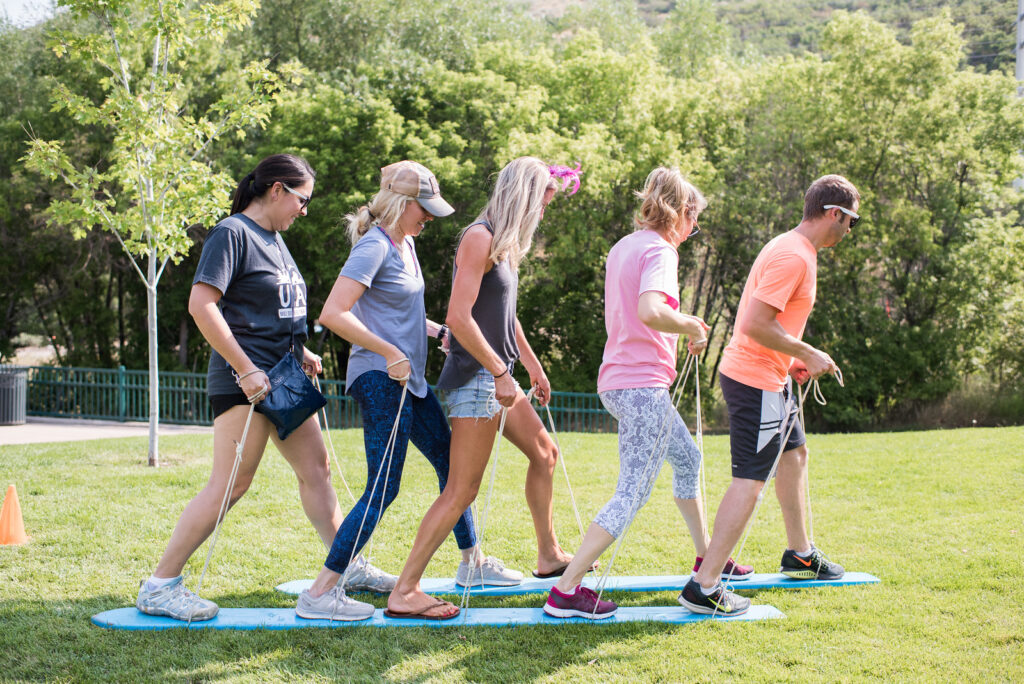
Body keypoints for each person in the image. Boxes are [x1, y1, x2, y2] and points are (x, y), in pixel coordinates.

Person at [136, 154, 387, 622]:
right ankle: (160, 586)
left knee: (317, 470)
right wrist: (248, 369)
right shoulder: (232, 233)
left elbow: (271, 309)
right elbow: (202, 305)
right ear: (276, 189)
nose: (304, 210)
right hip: (244, 381)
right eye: (302, 199)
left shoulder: (273, 239)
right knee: (231, 483)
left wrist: (301, 352)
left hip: (284, 377)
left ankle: (345, 567)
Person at [295, 161, 509, 621]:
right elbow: (334, 313)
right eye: (423, 208)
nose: (429, 217)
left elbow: (395, 309)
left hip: (408, 381)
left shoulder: (405, 243)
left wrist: (436, 333)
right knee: (383, 487)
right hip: (379, 378)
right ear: (400, 201)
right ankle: (320, 593)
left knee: (453, 466)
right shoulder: (373, 246)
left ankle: (472, 562)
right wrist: (389, 350)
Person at [542, 167, 751, 620]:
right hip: (638, 385)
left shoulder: (625, 246)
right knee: (632, 492)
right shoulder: (660, 250)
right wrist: (692, 324)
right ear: (682, 212)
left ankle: (706, 560)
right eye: (694, 218)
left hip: (624, 380)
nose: (694, 229)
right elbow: (650, 310)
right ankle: (565, 589)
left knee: (689, 459)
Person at [386, 156, 579, 620]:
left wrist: (531, 365)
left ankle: (548, 554)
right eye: (542, 202)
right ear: (524, 196)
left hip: (497, 377)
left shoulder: (504, 244)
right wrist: (499, 371)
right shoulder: (479, 236)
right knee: (461, 490)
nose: (543, 212)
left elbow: (505, 315)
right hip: (476, 380)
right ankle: (405, 590)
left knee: (545, 454)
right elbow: (458, 317)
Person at [680, 174, 860, 616]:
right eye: (851, 220)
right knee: (750, 481)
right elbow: (754, 324)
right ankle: (704, 586)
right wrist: (808, 352)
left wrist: (790, 359)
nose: (851, 230)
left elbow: (765, 324)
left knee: (795, 456)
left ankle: (799, 554)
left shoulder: (796, 249)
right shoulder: (792, 255)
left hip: (772, 376)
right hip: (754, 380)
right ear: (834, 213)